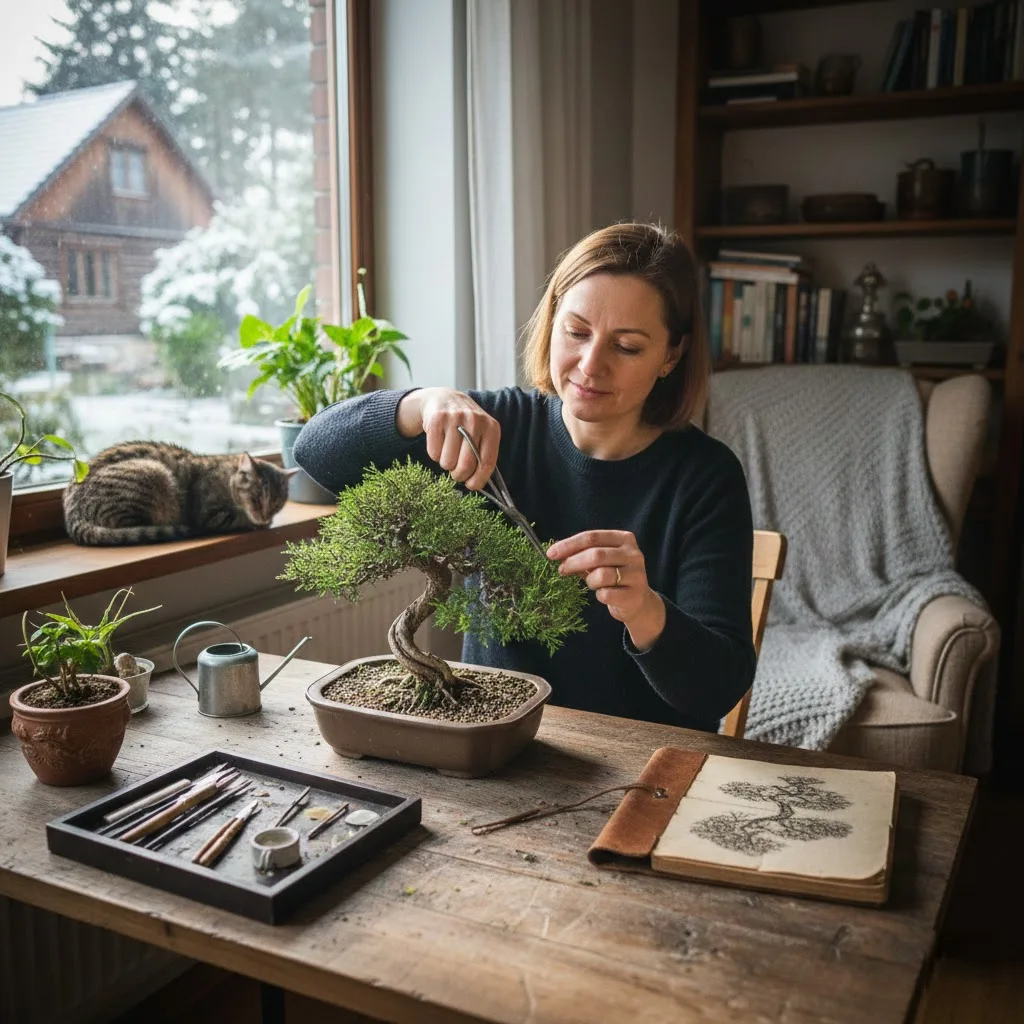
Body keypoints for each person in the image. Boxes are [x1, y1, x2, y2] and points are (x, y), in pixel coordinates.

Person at [294, 222, 755, 733]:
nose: (590, 365)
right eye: (576, 332)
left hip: (643, 756)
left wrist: (645, 611)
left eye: (626, 346)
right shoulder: (493, 432)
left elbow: (719, 687)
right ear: (552, 321)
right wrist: (423, 404)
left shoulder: (705, 478)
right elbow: (315, 451)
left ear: (671, 355)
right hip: (499, 741)